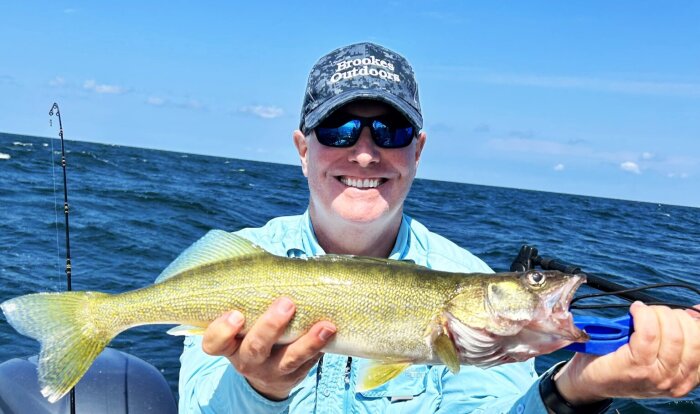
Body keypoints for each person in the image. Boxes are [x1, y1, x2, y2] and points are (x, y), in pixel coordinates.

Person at [178, 42, 700, 413]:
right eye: (338, 129)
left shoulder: (465, 276)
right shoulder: (237, 262)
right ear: (302, 148)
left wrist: (579, 389)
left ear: (417, 151)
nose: (364, 152)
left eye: (391, 130)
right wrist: (260, 392)